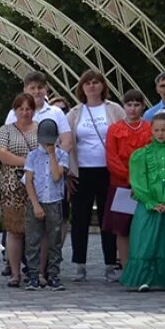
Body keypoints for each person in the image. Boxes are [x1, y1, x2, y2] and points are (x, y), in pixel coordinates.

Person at [119, 113, 165, 292]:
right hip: (148, 205)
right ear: (151, 131)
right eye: (157, 130)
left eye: (164, 130)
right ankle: (144, 277)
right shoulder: (141, 155)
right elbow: (138, 181)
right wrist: (150, 201)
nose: (160, 134)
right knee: (146, 239)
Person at [65, 70, 124, 282]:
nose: (92, 86)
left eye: (96, 82)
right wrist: (68, 172)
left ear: (102, 86)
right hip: (82, 171)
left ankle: (110, 264)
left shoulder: (114, 109)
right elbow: (66, 144)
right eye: (87, 83)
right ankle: (79, 264)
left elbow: (124, 136)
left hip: (109, 171)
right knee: (79, 219)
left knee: (108, 219)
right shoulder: (74, 113)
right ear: (81, 87)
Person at [103, 90, 151, 275]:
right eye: (129, 105)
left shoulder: (149, 128)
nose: (132, 109)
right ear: (124, 107)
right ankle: (126, 267)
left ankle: (142, 266)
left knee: (143, 225)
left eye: (136, 105)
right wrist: (128, 177)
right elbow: (111, 157)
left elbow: (151, 154)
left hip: (145, 185)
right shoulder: (114, 129)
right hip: (121, 185)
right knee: (121, 228)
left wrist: (140, 178)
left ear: (143, 107)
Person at [0, 93, 38, 288]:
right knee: (14, 230)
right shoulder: (6, 130)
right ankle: (15, 272)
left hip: (39, 185)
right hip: (12, 185)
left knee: (38, 230)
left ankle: (38, 272)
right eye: (21, 109)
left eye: (28, 109)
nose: (25, 112)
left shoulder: (40, 129)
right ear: (15, 111)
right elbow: (1, 153)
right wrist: (28, 162)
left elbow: (51, 150)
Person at [23, 118, 70, 291]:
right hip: (36, 201)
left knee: (54, 241)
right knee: (33, 241)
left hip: (55, 203)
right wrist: (35, 205)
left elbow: (57, 176)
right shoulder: (32, 155)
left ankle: (53, 275)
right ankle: (33, 275)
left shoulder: (62, 156)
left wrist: (52, 155)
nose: (47, 143)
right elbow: (28, 181)